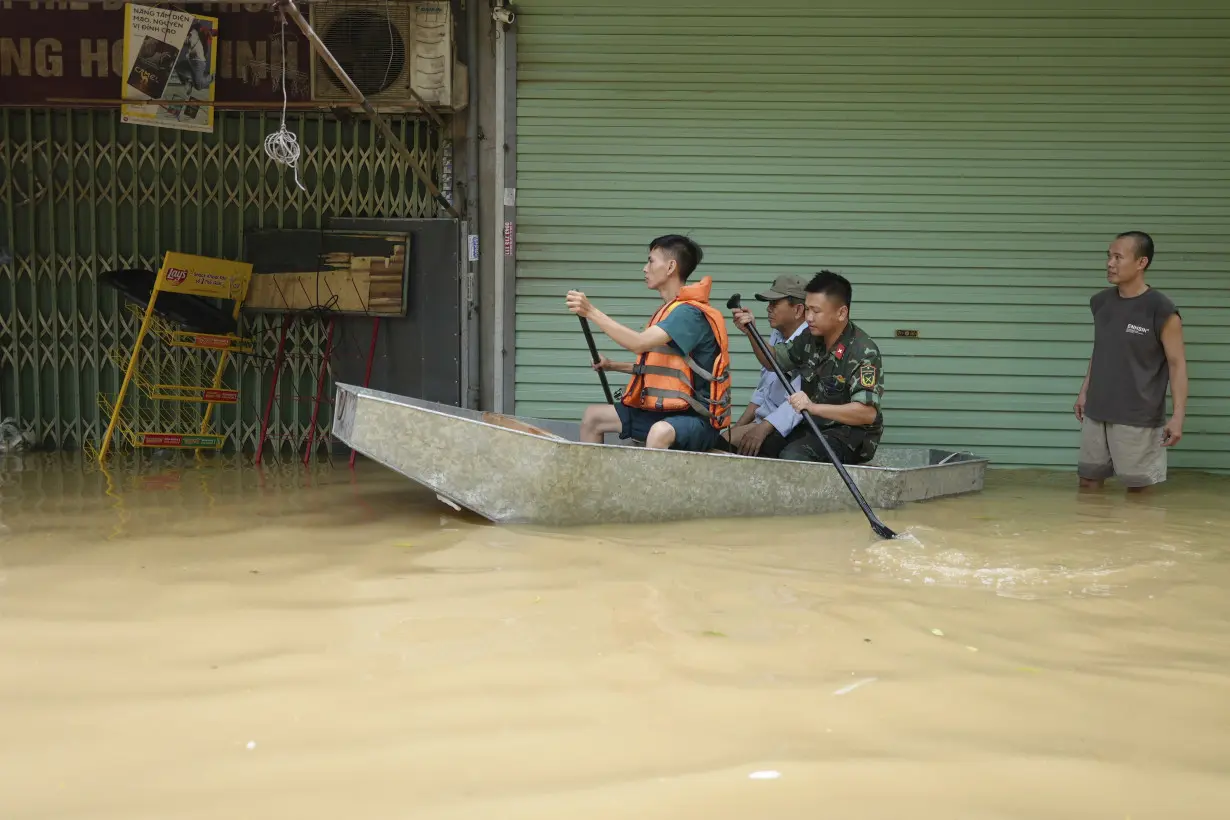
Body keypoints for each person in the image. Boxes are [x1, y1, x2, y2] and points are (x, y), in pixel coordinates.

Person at [566, 235, 732, 451]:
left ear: (671, 266)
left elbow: (638, 343)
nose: (645, 268)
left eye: (651, 261)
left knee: (659, 432)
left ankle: (646, 485)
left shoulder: (689, 314)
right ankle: (591, 483)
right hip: (662, 414)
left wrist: (590, 311)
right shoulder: (669, 311)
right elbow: (663, 369)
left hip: (696, 421)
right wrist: (612, 365)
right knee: (593, 417)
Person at [731, 270, 884, 464]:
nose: (809, 317)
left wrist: (812, 407)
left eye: (816, 311)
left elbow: (866, 413)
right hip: (813, 426)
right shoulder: (811, 339)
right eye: (808, 309)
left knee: (795, 456)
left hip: (849, 435)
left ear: (841, 313)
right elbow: (773, 362)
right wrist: (751, 332)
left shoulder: (863, 351)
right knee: (761, 447)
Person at [1074, 231, 1187, 492]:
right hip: (1097, 409)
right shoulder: (1100, 302)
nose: (1110, 263)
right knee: (1088, 483)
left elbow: (1177, 364)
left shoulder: (1161, 309)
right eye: (1108, 256)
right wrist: (1084, 391)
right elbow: (1101, 349)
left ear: (1141, 263)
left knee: (1139, 491)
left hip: (1138, 416)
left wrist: (1178, 416)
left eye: (1118, 257)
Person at [726, 274, 809, 457]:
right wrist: (737, 429)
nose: (768, 309)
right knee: (721, 443)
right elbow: (763, 391)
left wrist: (762, 429)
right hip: (763, 423)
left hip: (787, 429)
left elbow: (798, 404)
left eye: (774, 304)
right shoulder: (778, 335)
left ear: (798, 310)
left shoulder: (809, 343)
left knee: (719, 447)